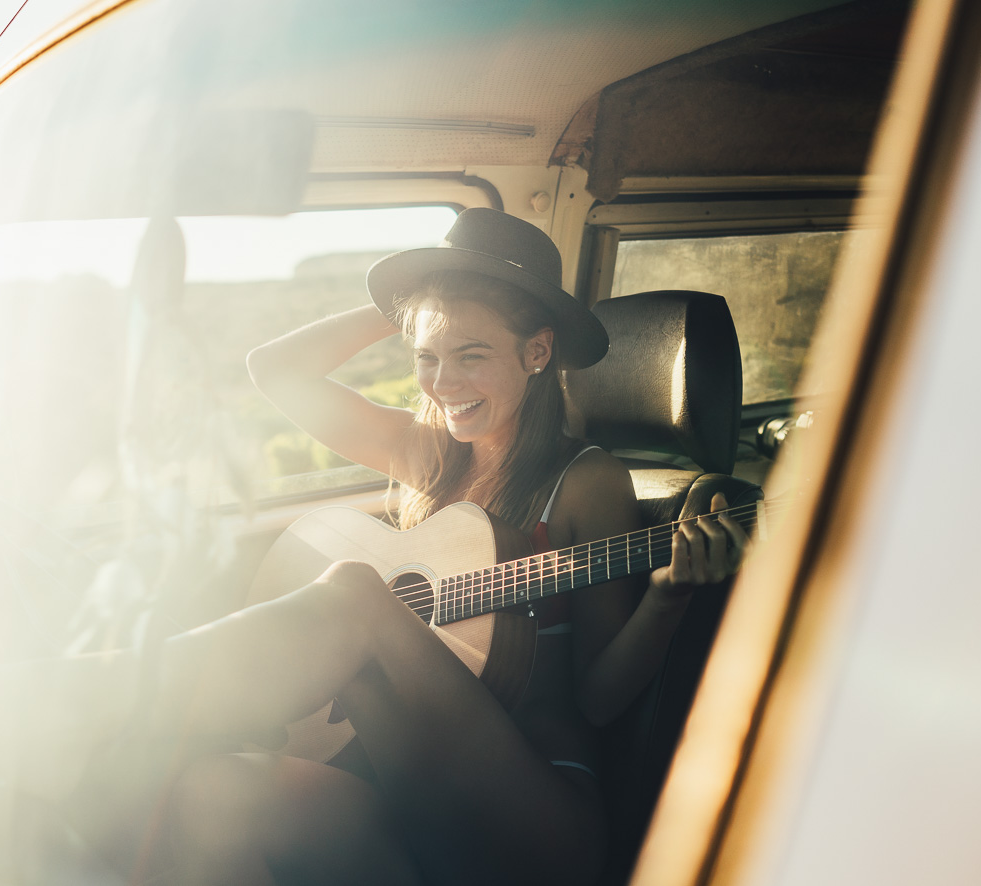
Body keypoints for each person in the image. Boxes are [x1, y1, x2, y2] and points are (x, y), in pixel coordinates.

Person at [81, 208, 747, 886]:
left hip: (534, 806)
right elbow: (274, 370)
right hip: (395, 778)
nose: (444, 384)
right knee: (208, 793)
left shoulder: (586, 481)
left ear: (537, 352)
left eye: (472, 356)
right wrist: (416, 298)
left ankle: (108, 701)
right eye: (427, 357)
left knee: (355, 592)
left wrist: (668, 599)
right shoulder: (421, 452)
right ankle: (124, 724)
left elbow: (599, 699)